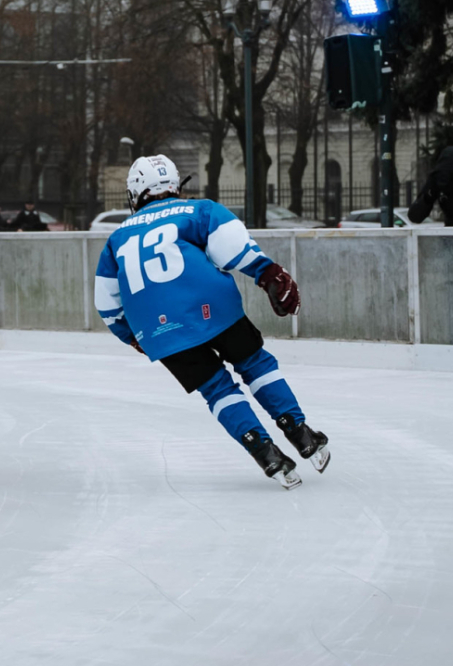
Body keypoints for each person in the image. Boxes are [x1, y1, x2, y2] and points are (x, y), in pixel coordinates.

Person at [95, 155, 330, 489]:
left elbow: (106, 303)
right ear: (176, 185)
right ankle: (300, 433)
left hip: (159, 332)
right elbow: (232, 246)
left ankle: (267, 455)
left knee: (217, 389)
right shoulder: (196, 210)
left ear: (136, 193)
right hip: (211, 306)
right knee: (255, 363)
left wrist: (132, 336)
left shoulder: (116, 238)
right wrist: (265, 272)